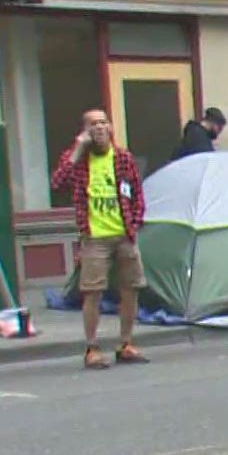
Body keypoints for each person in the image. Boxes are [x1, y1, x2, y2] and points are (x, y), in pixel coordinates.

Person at [50, 109, 149, 369]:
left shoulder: (123, 158)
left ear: (111, 127)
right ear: (85, 131)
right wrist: (77, 149)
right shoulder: (80, 160)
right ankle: (92, 348)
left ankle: (125, 343)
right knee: (92, 292)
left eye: (104, 122)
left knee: (131, 288)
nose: (100, 128)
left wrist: (135, 223)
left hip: (124, 234)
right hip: (95, 237)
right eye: (93, 124)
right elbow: (58, 184)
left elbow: (137, 193)